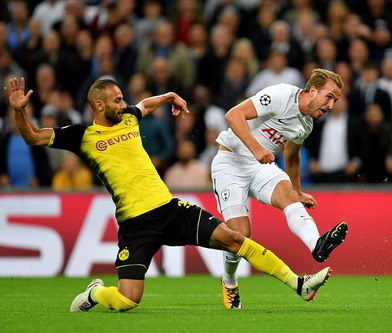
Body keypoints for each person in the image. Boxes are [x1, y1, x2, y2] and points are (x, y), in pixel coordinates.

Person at [4, 77, 332, 313]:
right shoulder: (82, 136)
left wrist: (170, 95)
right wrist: (19, 111)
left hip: (171, 208)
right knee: (128, 299)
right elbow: (33, 137)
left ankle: (298, 284)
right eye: (117, 100)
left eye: (123, 99)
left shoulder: (129, 117)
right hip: (136, 224)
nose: (124, 104)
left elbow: (144, 104)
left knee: (235, 239)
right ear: (99, 104)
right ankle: (96, 293)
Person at [211, 68, 348, 309]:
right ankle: (230, 281)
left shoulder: (306, 124)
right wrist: (256, 149)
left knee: (288, 197)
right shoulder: (280, 95)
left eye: (335, 100)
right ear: (313, 90)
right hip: (230, 163)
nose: (331, 105)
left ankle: (317, 245)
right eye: (329, 97)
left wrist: (297, 191)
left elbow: (292, 156)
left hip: (261, 167)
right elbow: (233, 116)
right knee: (240, 236)